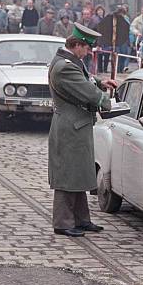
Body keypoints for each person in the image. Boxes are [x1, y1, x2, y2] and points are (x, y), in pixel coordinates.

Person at [48, 23, 117, 237]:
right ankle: (63, 222)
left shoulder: (70, 61)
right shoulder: (65, 66)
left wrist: (101, 82)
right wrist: (108, 102)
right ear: (77, 45)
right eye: (87, 48)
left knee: (78, 172)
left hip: (77, 124)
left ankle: (81, 219)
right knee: (68, 175)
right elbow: (86, 91)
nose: (88, 53)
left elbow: (86, 79)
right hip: (70, 127)